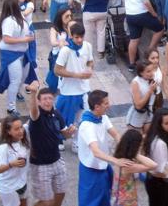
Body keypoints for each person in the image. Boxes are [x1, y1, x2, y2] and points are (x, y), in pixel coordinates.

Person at [26, 81, 77, 206]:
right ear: (38, 102)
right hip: (40, 165)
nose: (48, 101)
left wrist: (70, 133)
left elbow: (64, 133)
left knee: (61, 193)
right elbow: (33, 111)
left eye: (50, 98)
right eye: (44, 99)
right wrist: (33, 93)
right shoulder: (36, 117)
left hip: (57, 160)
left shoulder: (56, 114)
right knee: (46, 202)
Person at [77, 90, 129, 206]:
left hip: (103, 166)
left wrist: (125, 148)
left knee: (106, 198)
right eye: (106, 103)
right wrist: (116, 161)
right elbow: (96, 152)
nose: (108, 105)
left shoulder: (103, 117)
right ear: (97, 107)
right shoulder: (87, 126)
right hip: (91, 170)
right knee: (91, 202)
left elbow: (115, 134)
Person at [53, 21, 94, 154]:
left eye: (81, 37)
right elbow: (57, 70)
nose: (79, 40)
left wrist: (89, 69)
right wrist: (76, 75)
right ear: (71, 36)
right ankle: (58, 139)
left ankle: (76, 142)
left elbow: (90, 61)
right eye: (76, 37)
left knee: (82, 118)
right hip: (68, 91)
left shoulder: (87, 46)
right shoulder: (65, 50)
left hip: (83, 90)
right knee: (63, 117)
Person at [0, 0, 38, 116]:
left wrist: (29, 36)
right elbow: (6, 39)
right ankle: (11, 107)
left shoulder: (21, 18)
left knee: (23, 77)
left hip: (23, 52)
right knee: (15, 80)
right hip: (11, 54)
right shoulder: (8, 21)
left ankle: (16, 92)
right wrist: (25, 39)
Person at [122, 0, 164, 71]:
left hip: (130, 15)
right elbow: (146, 2)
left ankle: (131, 64)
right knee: (160, 28)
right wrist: (154, 13)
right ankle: (149, 52)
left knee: (134, 39)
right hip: (141, 14)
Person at [111, 129, 158, 206]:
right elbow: (153, 165)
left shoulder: (120, 157)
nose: (141, 147)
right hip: (126, 201)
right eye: (140, 145)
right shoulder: (128, 165)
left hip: (120, 197)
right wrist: (135, 154)